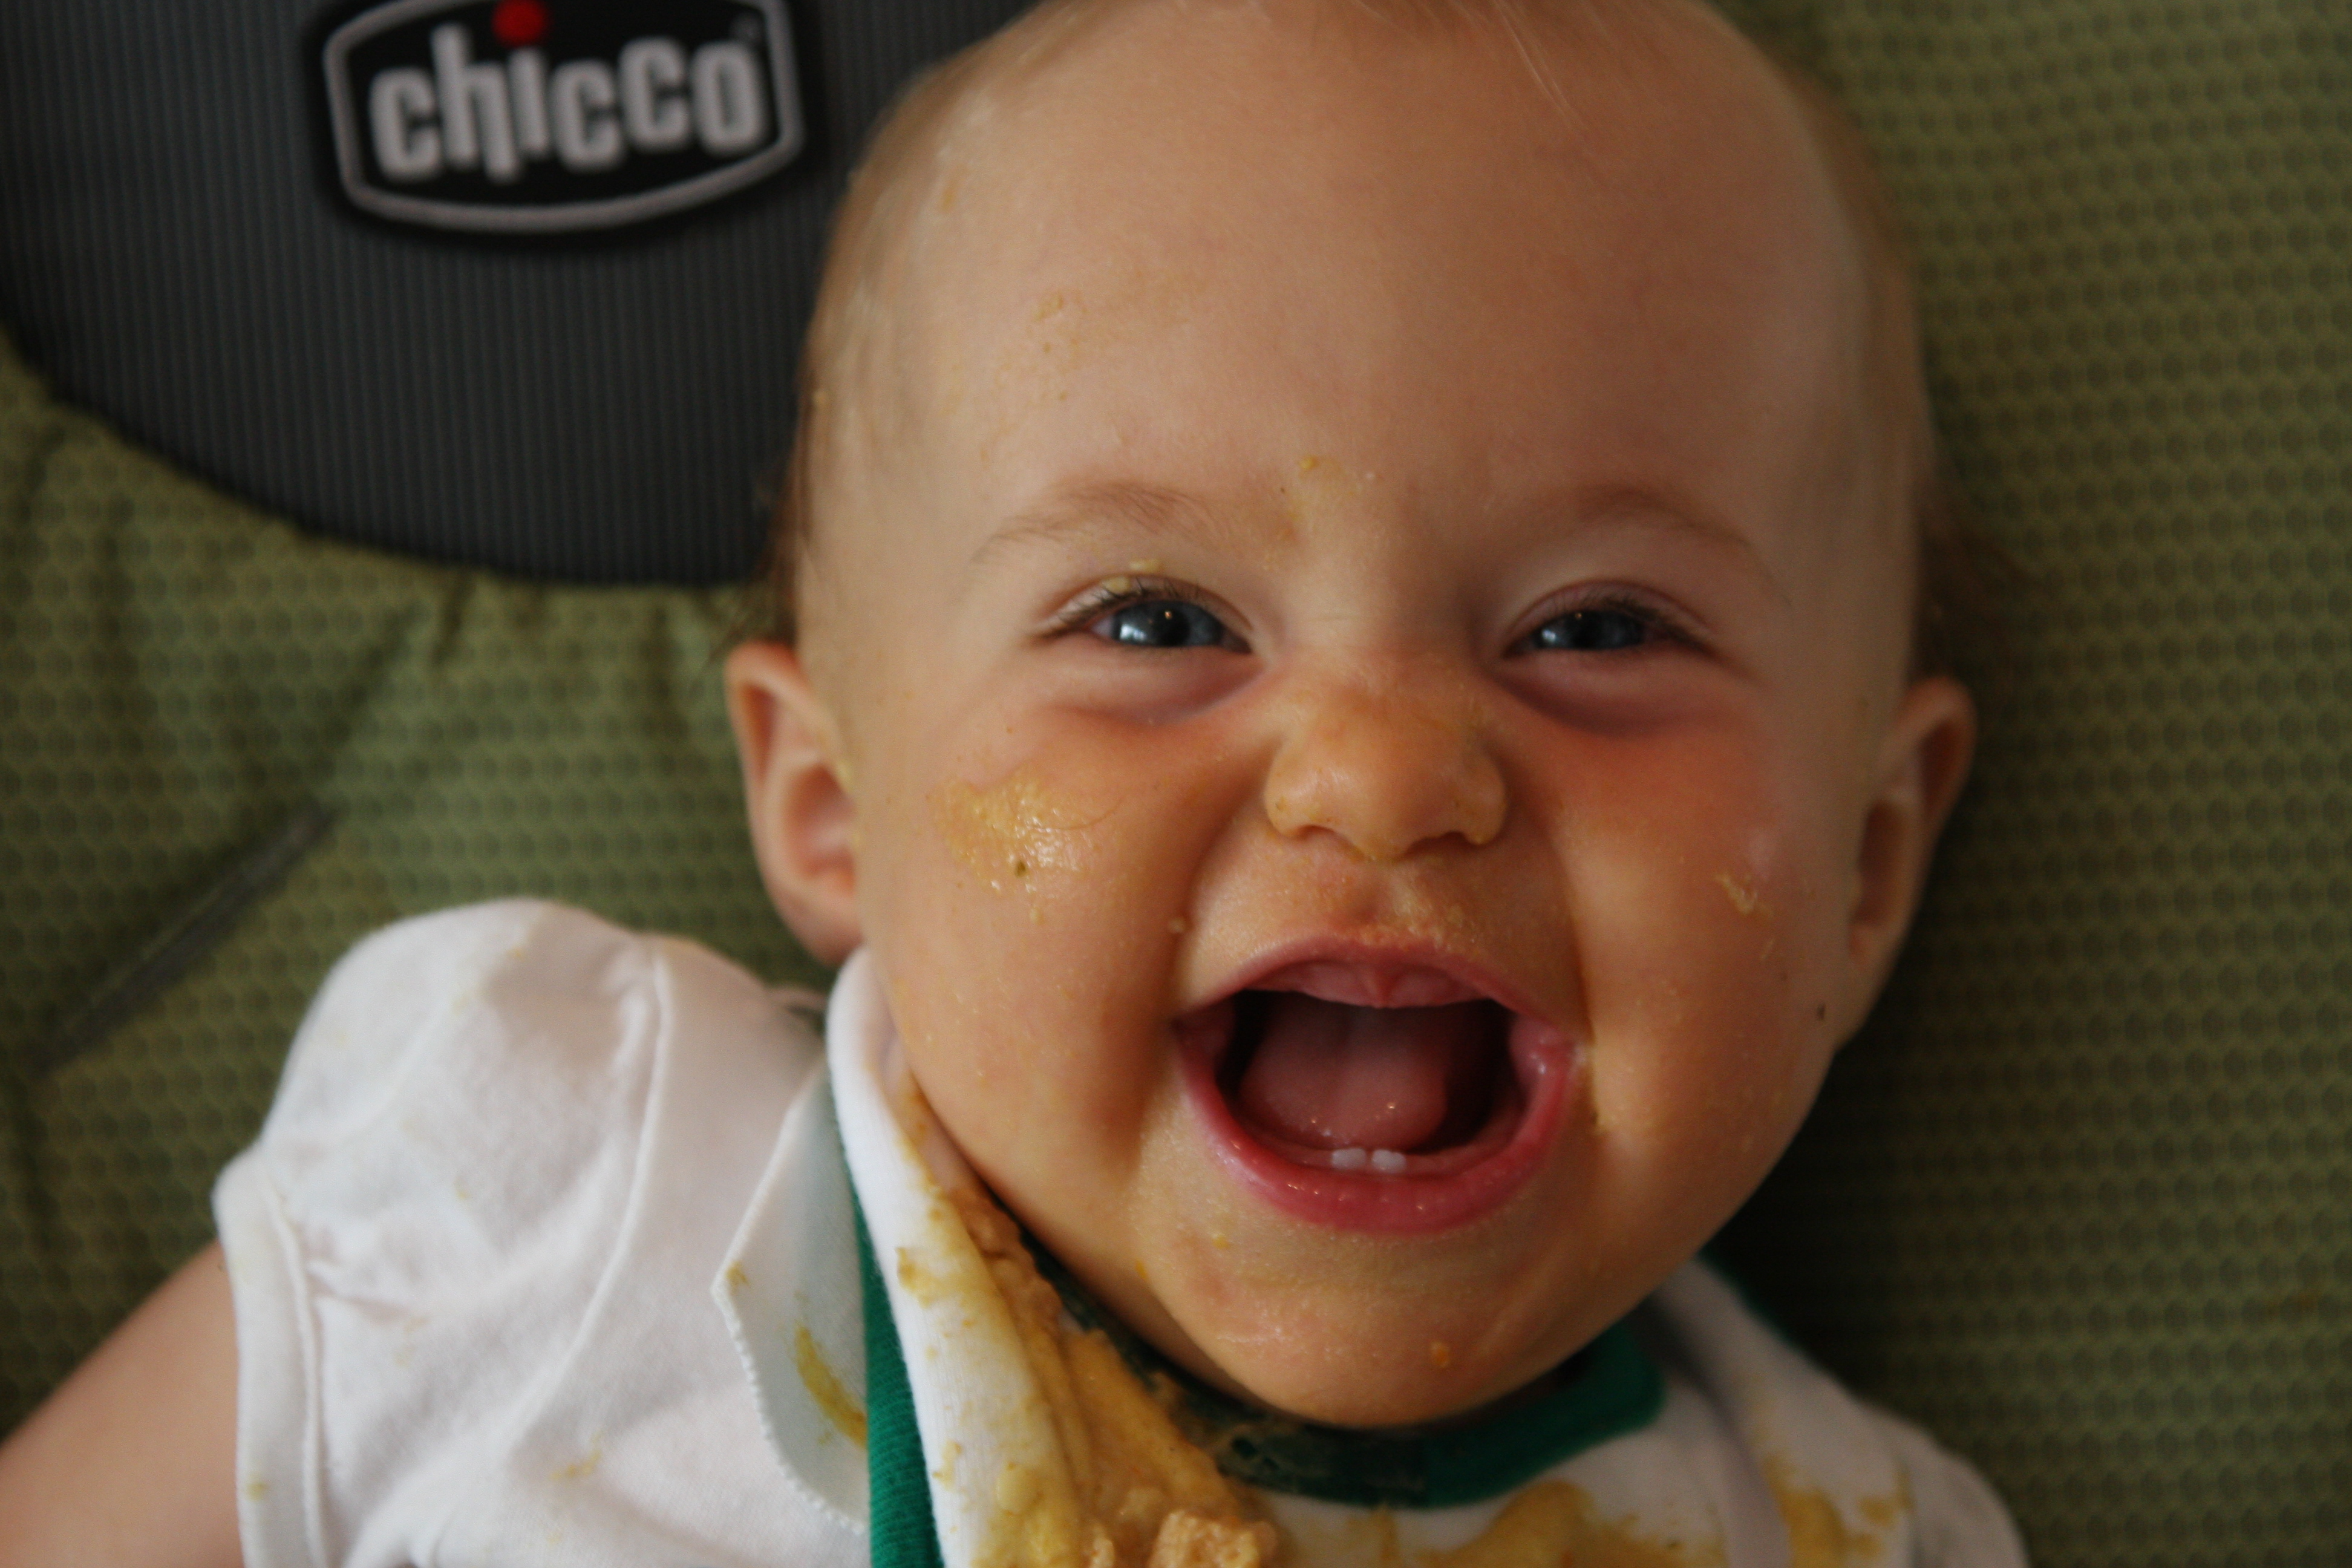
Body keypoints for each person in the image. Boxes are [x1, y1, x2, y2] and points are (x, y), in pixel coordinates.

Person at [0, 0, 2025, 1563]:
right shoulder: (558, 1194)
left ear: (1866, 865)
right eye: (1157, 620)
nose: (1384, 773)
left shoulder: (1862, 1535)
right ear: (832, 809)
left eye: (1597, 631)